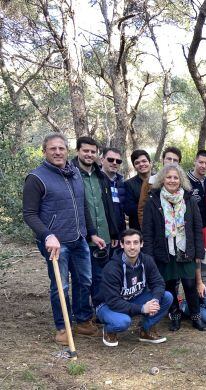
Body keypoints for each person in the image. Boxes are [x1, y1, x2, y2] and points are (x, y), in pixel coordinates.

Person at [23, 133, 105, 344]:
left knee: (84, 280)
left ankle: (82, 320)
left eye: (61, 148)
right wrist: (47, 235)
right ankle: (62, 327)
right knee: (60, 286)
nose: (58, 152)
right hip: (55, 243)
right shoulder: (36, 178)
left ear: (67, 151)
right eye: (53, 149)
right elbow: (29, 214)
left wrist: (92, 233)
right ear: (44, 152)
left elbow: (83, 205)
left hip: (79, 239)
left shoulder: (74, 173)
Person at [142, 164, 206, 332]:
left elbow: (197, 228)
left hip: (186, 250)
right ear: (163, 179)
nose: (172, 180)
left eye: (176, 177)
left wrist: (199, 252)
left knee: (190, 284)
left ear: (181, 180)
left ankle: (196, 317)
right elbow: (147, 232)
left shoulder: (189, 200)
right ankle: (175, 316)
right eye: (169, 177)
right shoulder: (153, 201)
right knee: (169, 285)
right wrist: (149, 257)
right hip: (164, 251)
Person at [96, 229, 172, 347]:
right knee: (123, 322)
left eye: (136, 242)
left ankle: (145, 330)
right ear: (122, 245)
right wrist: (142, 308)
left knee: (166, 297)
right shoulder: (112, 268)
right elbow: (113, 302)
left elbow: (158, 283)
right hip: (107, 305)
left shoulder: (147, 260)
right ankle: (109, 330)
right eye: (128, 243)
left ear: (141, 244)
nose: (132, 247)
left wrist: (155, 301)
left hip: (132, 299)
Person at [71, 137, 120, 307]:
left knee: (100, 276)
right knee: (83, 278)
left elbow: (108, 206)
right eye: (86, 150)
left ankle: (100, 311)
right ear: (78, 151)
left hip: (103, 235)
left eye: (93, 151)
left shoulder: (101, 176)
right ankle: (83, 316)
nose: (89, 154)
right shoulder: (70, 174)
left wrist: (113, 232)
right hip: (82, 236)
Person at [137, 146, 182, 227]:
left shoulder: (181, 183)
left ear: (179, 164)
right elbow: (142, 210)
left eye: (175, 160)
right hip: (156, 229)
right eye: (169, 159)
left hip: (178, 229)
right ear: (163, 160)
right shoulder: (150, 181)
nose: (171, 162)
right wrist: (146, 230)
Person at [124, 149, 153, 230]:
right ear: (134, 166)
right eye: (137, 163)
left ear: (150, 163)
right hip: (137, 229)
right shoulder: (129, 184)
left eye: (144, 161)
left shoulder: (159, 180)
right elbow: (129, 210)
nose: (141, 164)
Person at [101, 147, 127, 235]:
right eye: (111, 160)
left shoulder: (122, 183)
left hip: (120, 233)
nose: (114, 163)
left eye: (118, 161)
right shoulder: (96, 181)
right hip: (103, 234)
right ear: (102, 160)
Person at [187, 150, 206, 227]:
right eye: (201, 162)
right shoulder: (184, 181)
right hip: (190, 227)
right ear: (195, 162)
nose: (204, 166)